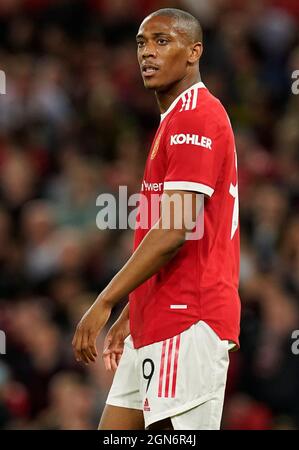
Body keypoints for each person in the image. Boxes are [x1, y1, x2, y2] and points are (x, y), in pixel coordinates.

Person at [72, 8, 241, 430]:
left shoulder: (197, 115)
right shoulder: (172, 121)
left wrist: (105, 301)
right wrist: (135, 303)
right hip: (157, 316)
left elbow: (174, 230)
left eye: (162, 41)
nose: (147, 52)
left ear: (193, 52)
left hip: (188, 321)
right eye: (142, 43)